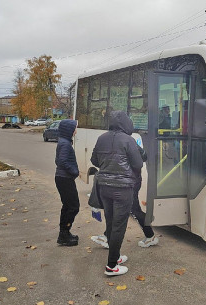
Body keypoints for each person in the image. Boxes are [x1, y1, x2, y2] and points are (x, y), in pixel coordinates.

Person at [91, 111, 143, 276]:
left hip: (104, 187)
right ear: (127, 124)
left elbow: (94, 160)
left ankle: (117, 256)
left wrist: (108, 166)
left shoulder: (102, 138)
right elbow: (138, 163)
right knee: (119, 226)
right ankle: (111, 265)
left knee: (111, 222)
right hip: (122, 189)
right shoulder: (129, 140)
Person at [91, 144, 159, 249]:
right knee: (125, 209)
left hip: (130, 182)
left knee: (132, 210)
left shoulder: (125, 142)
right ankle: (107, 236)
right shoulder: (126, 140)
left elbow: (142, 159)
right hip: (127, 181)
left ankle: (150, 235)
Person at [55, 119, 80, 247]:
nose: (76, 130)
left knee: (68, 206)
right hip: (64, 179)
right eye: (74, 128)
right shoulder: (65, 144)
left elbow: (57, 160)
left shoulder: (63, 142)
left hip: (62, 178)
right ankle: (64, 234)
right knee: (73, 206)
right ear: (68, 130)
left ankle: (64, 233)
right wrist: (75, 171)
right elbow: (62, 161)